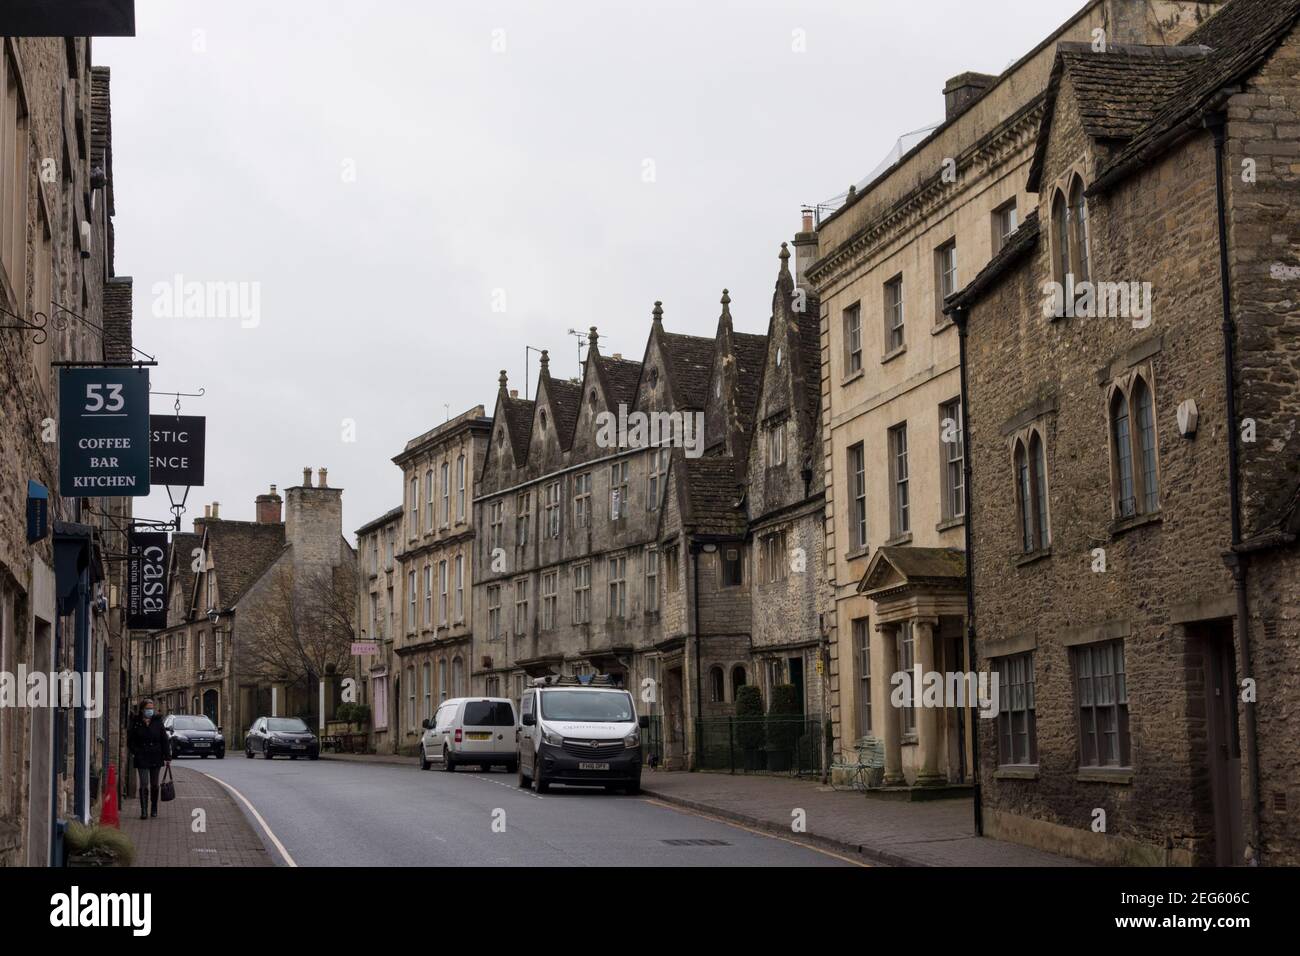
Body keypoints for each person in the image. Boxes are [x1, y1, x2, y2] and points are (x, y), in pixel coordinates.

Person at [128, 699, 170, 819]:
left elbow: (164, 740)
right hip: (142, 757)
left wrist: (167, 757)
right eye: (148, 708)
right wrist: (136, 752)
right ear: (142, 710)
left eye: (152, 708)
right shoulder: (136, 722)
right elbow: (130, 741)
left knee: (155, 785)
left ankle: (154, 808)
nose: (150, 711)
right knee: (144, 783)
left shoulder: (158, 721)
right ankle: (144, 810)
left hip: (156, 756)